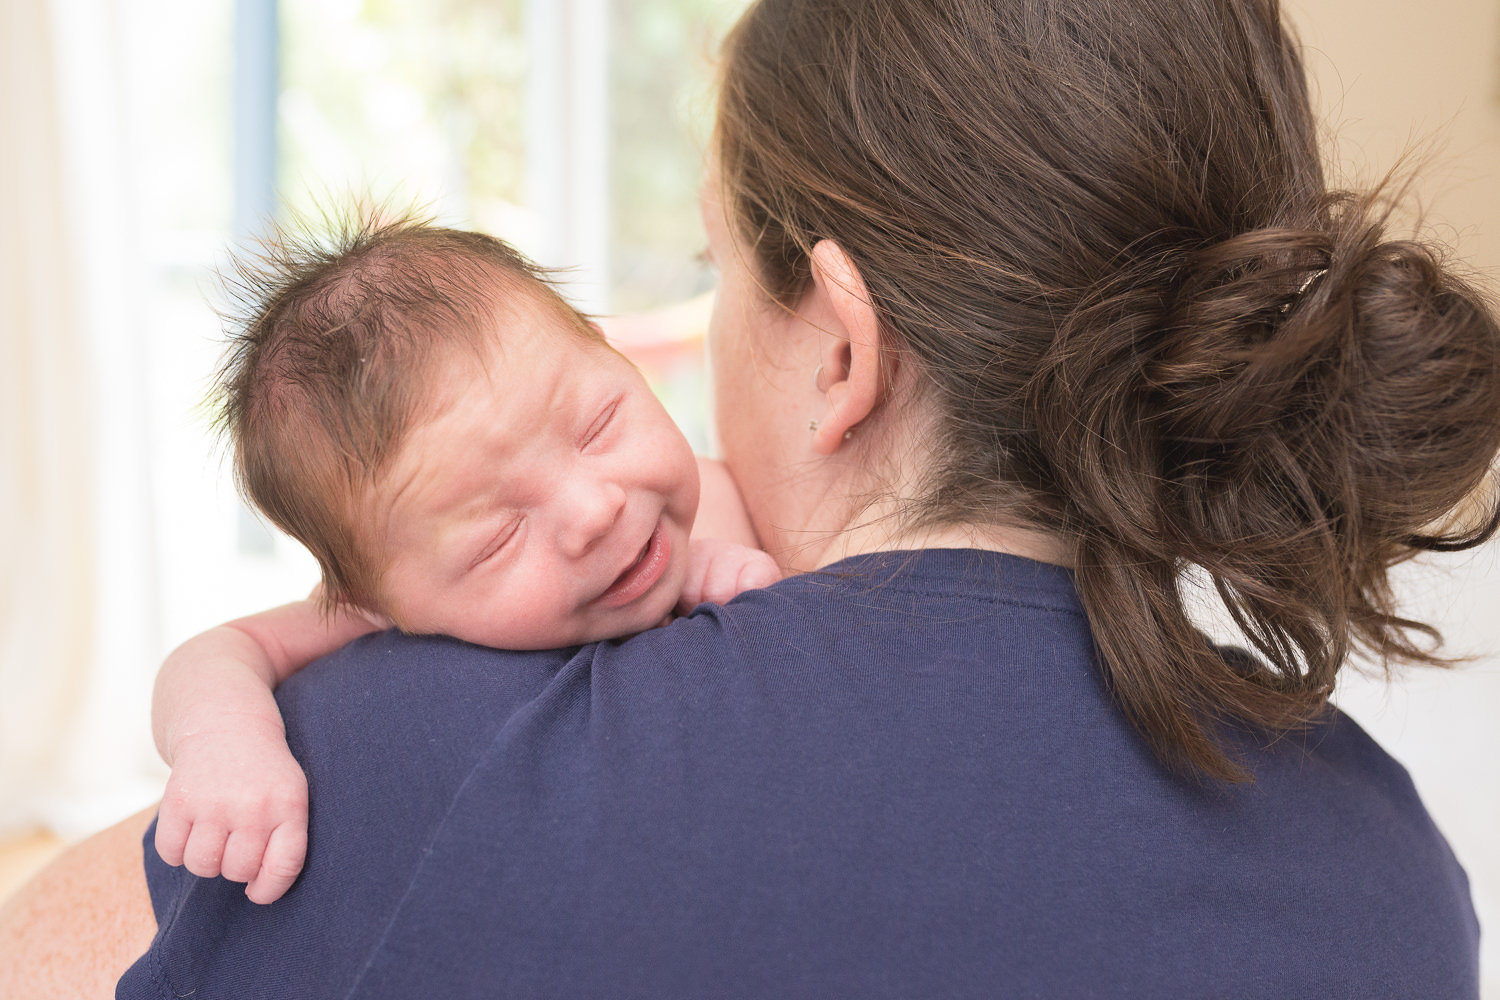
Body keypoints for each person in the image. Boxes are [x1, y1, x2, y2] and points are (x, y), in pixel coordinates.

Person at [3, 0, 1499, 996]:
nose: (591, 515)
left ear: (839, 346)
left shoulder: (381, 773)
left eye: (716, 266)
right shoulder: (1393, 883)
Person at [147, 217, 780, 906]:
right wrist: (225, 740)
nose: (594, 511)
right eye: (499, 537)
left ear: (615, 355)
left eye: (597, 424)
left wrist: (717, 561)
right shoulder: (378, 613)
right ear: (377, 599)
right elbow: (225, 649)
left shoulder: (732, 491)